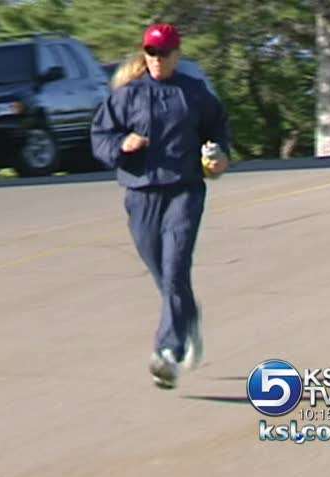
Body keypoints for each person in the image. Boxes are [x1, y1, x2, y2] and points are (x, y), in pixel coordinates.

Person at [91, 23, 232, 389]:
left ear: (176, 55)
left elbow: (218, 130)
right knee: (162, 271)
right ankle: (187, 318)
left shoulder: (194, 93)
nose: (156, 58)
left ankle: (168, 352)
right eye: (150, 52)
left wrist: (219, 156)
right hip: (140, 195)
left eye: (163, 53)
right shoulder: (127, 96)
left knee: (175, 267)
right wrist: (122, 145)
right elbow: (100, 136)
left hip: (184, 191)